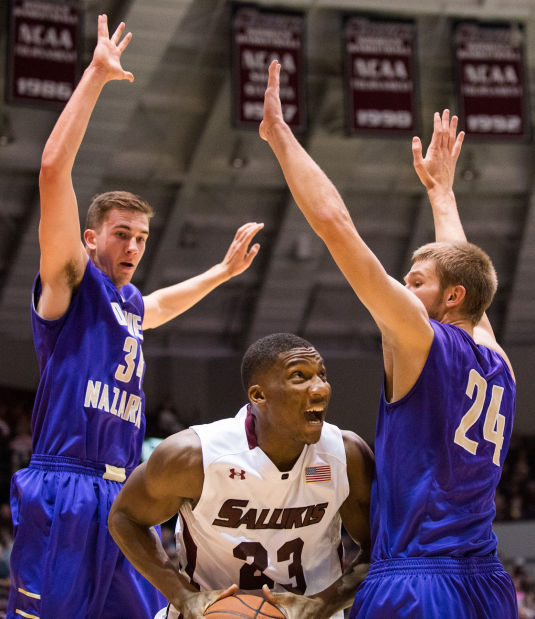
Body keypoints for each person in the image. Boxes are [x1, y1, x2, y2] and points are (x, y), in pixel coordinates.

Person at [7, 14, 263, 619]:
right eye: (122, 235)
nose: (132, 247)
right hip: (66, 484)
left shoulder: (127, 305)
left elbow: (161, 305)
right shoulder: (70, 284)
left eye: (142, 239)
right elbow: (51, 172)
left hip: (125, 495)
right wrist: (94, 78)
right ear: (90, 237)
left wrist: (222, 274)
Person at [260, 61, 517, 618]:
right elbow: (465, 275)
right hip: (486, 582)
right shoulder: (498, 361)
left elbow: (335, 224)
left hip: (418, 582)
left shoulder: (420, 340)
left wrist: (280, 138)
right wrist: (441, 195)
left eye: (416, 282)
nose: (402, 288)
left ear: (449, 299)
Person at [109, 332, 374, 619]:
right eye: (300, 376)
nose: (320, 388)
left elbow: (382, 550)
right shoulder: (194, 456)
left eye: (322, 375)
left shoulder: (345, 456)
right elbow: (125, 518)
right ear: (259, 395)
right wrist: (182, 595)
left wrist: (325, 602)